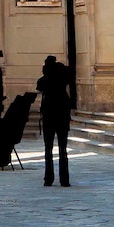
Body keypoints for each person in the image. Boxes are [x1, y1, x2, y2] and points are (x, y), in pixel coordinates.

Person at [36, 55, 72, 187]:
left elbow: (39, 87)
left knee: (48, 148)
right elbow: (69, 72)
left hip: (49, 116)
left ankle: (48, 179)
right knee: (63, 148)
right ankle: (65, 180)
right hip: (62, 114)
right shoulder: (63, 78)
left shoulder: (43, 81)